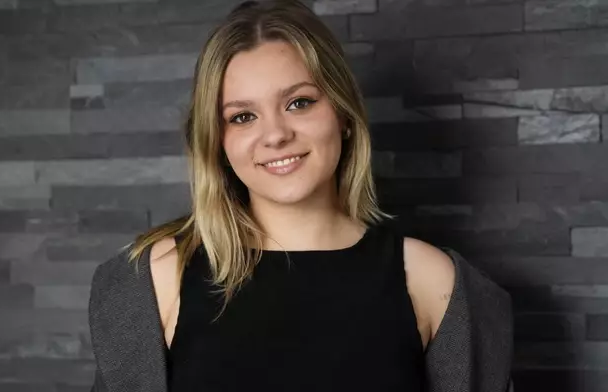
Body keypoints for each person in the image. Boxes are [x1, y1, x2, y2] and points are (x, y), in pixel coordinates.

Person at [88, 1, 514, 391]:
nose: (275, 135)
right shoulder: (155, 280)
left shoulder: (434, 282)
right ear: (217, 141)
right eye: (243, 116)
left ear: (343, 113)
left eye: (299, 103)